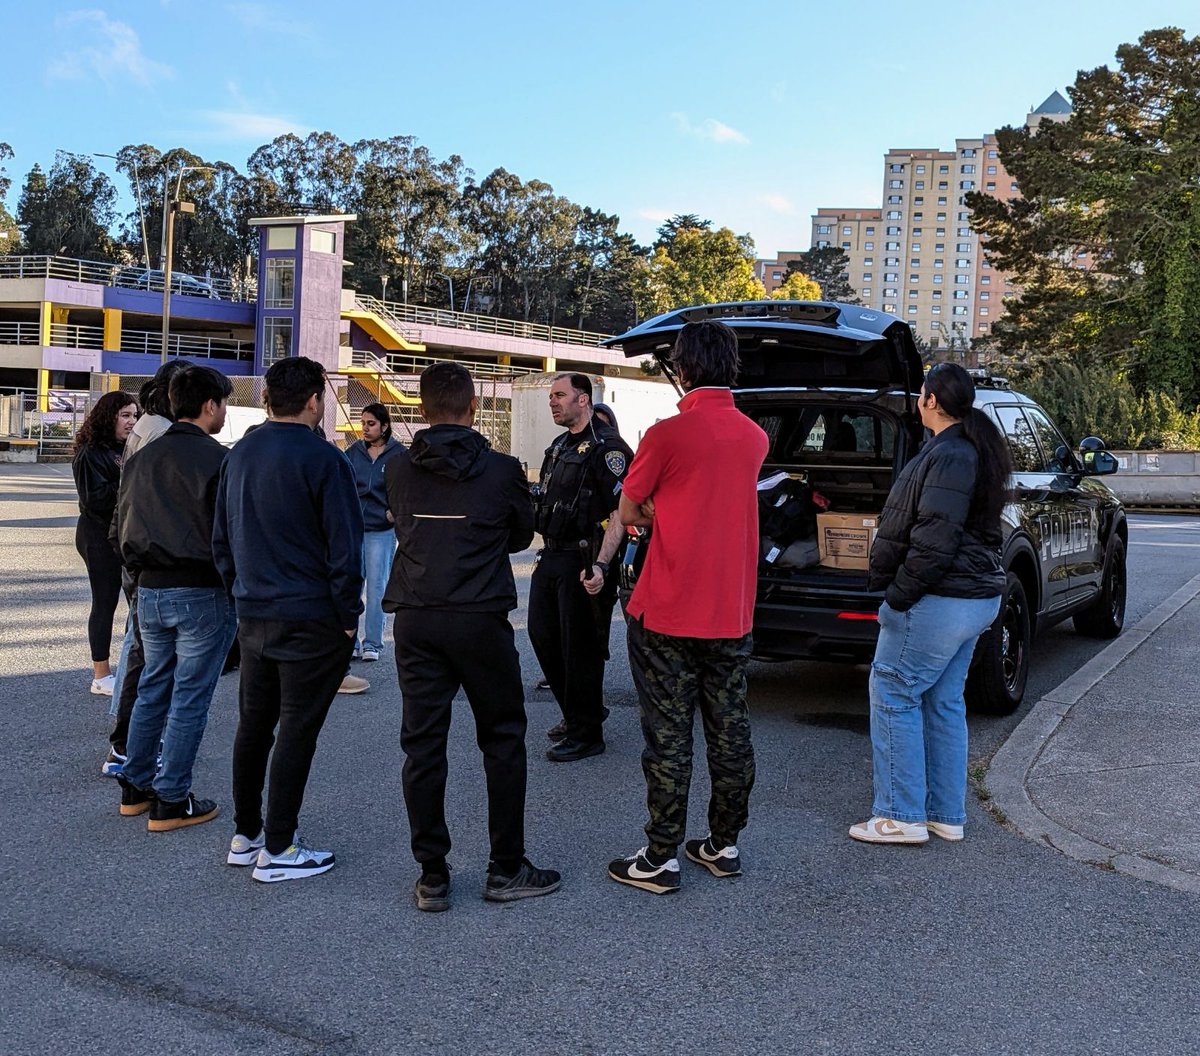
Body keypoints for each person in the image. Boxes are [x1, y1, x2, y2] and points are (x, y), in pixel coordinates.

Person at [383, 362, 560, 911]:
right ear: (474, 407)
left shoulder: (397, 470)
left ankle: (432, 873)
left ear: (420, 409)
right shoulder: (503, 470)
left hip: (416, 614)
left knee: (423, 744)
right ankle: (505, 867)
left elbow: (399, 521)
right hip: (479, 615)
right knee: (503, 738)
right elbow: (518, 535)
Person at [605, 320, 767, 895]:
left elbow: (628, 511)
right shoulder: (753, 437)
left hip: (670, 607)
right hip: (731, 609)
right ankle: (724, 844)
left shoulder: (665, 435)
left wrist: (658, 511)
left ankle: (661, 855)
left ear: (685, 368)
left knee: (669, 735)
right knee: (731, 729)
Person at [212, 356, 364, 883]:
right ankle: (278, 846)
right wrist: (349, 617)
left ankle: (247, 833)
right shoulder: (326, 460)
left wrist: (240, 594)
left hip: (254, 612)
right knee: (297, 728)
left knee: (254, 725)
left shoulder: (239, 454)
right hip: (310, 614)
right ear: (315, 400)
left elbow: (221, 538)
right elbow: (345, 549)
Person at [849, 361, 1009, 845]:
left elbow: (934, 541)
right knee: (942, 701)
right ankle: (944, 815)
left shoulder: (951, 455)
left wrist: (897, 598)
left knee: (894, 691)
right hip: (970, 599)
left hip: (941, 598)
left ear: (931, 401)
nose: (918, 400)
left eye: (921, 393)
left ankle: (900, 817)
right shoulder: (966, 450)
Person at [113, 366, 238, 830]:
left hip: (149, 585)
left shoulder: (142, 456)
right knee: (190, 696)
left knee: (152, 686)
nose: (224, 411)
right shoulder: (218, 459)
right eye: (223, 403)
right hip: (201, 588)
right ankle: (172, 797)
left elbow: (122, 523)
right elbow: (230, 531)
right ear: (210, 406)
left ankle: (136, 784)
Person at [527, 373, 632, 762]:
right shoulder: (558, 446)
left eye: (560, 395)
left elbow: (619, 513)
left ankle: (587, 733)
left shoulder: (609, 450)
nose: (552, 402)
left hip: (585, 558)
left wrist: (603, 565)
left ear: (583, 400)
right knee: (541, 635)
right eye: (551, 396)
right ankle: (578, 713)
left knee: (580, 648)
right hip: (552, 554)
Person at [103, 361, 188, 777]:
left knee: (139, 648)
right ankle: (125, 744)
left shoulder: (148, 426)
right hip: (147, 553)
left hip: (134, 548)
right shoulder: (159, 432)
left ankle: (125, 741)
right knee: (145, 654)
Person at [72, 390, 138, 695]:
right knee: (105, 601)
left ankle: (129, 667)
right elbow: (94, 499)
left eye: (134, 415)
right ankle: (101, 674)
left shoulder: (123, 449)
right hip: (97, 535)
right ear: (107, 417)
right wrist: (129, 481)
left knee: (134, 602)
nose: (131, 422)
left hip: (122, 534)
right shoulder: (91, 452)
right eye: (125, 415)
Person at [345, 402, 405, 662]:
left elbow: (406, 488)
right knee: (351, 584)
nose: (365, 429)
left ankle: (373, 643)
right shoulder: (353, 452)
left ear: (385, 425)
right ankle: (351, 641)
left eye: (371, 424)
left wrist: (393, 512)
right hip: (354, 528)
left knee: (377, 587)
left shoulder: (398, 454)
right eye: (363, 423)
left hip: (381, 530)